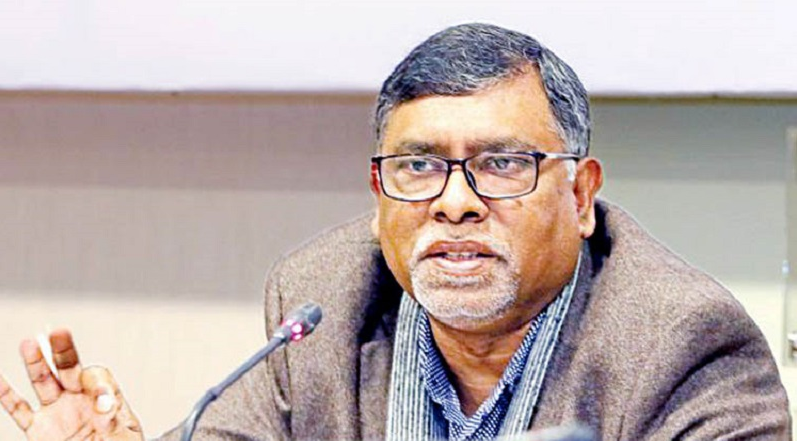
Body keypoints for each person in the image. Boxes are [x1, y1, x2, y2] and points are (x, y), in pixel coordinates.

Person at [0, 22, 790, 441]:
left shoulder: (681, 342)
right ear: (379, 193)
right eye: (418, 166)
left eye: (501, 164)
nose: (455, 202)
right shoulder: (321, 306)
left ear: (580, 196)